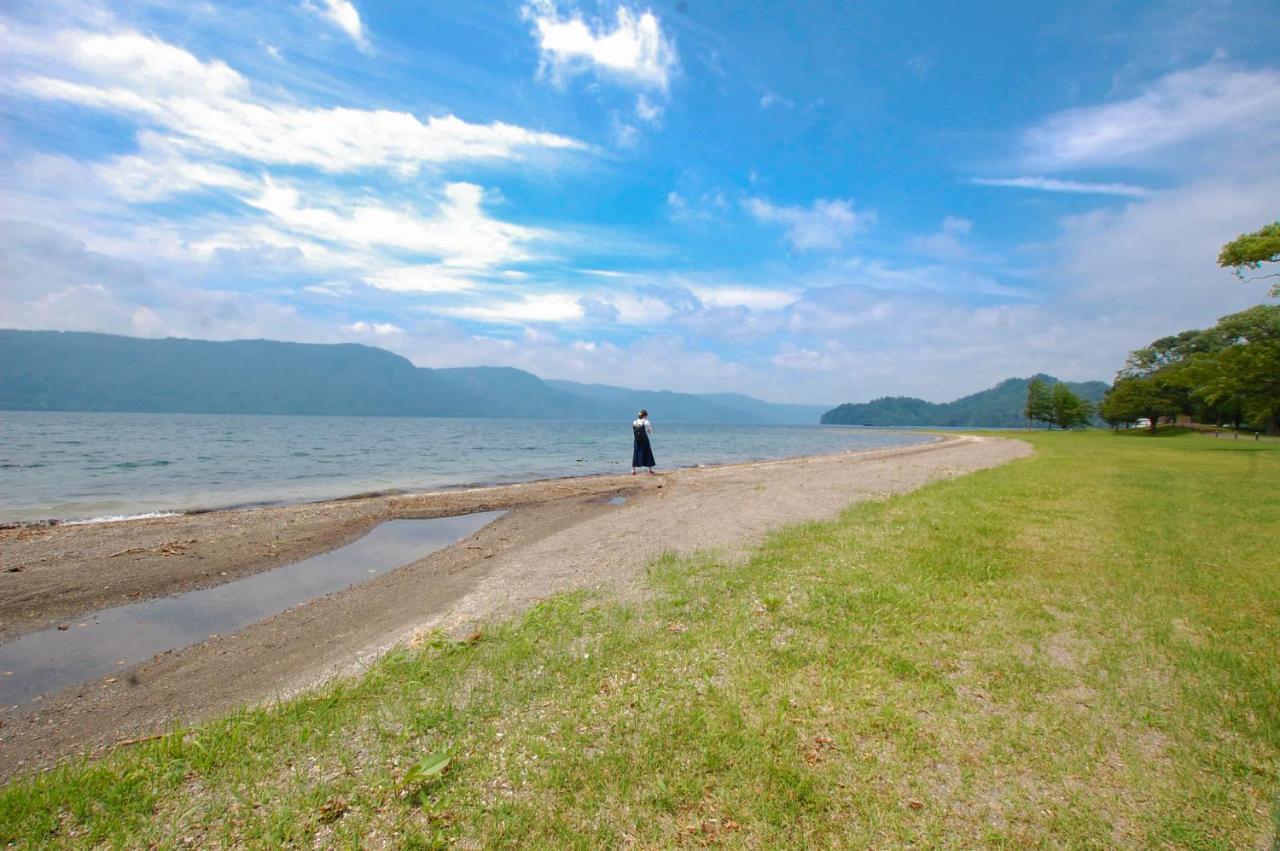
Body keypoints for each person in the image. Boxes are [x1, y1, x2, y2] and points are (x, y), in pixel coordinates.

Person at [631, 409, 656, 475]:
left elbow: (633, 430)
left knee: (635, 454)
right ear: (645, 415)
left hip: (636, 440)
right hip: (644, 440)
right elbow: (649, 431)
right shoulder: (646, 422)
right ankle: (650, 470)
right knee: (648, 453)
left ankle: (633, 471)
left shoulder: (634, 422)